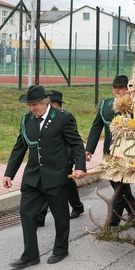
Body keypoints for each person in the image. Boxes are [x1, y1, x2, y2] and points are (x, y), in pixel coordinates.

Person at [3, 85, 87, 269]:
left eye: (34, 104)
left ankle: (61, 249)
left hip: (56, 174)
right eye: (29, 105)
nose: (32, 108)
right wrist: (9, 173)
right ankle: (30, 255)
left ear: (45, 102)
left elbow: (76, 144)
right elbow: (20, 147)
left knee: (60, 215)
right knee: (26, 213)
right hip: (33, 176)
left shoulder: (63, 118)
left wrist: (80, 166)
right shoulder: (27, 120)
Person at [85, 75, 135, 226]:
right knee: (117, 184)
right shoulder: (105, 105)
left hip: (128, 152)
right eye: (115, 87)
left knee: (119, 185)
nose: (117, 90)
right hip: (109, 152)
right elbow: (96, 127)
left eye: (121, 88)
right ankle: (132, 207)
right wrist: (89, 149)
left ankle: (113, 223)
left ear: (127, 89)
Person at [37, 90, 85, 226]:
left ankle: (76, 206)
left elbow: (74, 141)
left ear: (57, 104)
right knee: (50, 185)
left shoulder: (66, 117)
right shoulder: (42, 118)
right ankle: (40, 216)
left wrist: (74, 160)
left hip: (65, 158)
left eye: (51, 104)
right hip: (50, 160)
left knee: (63, 185)